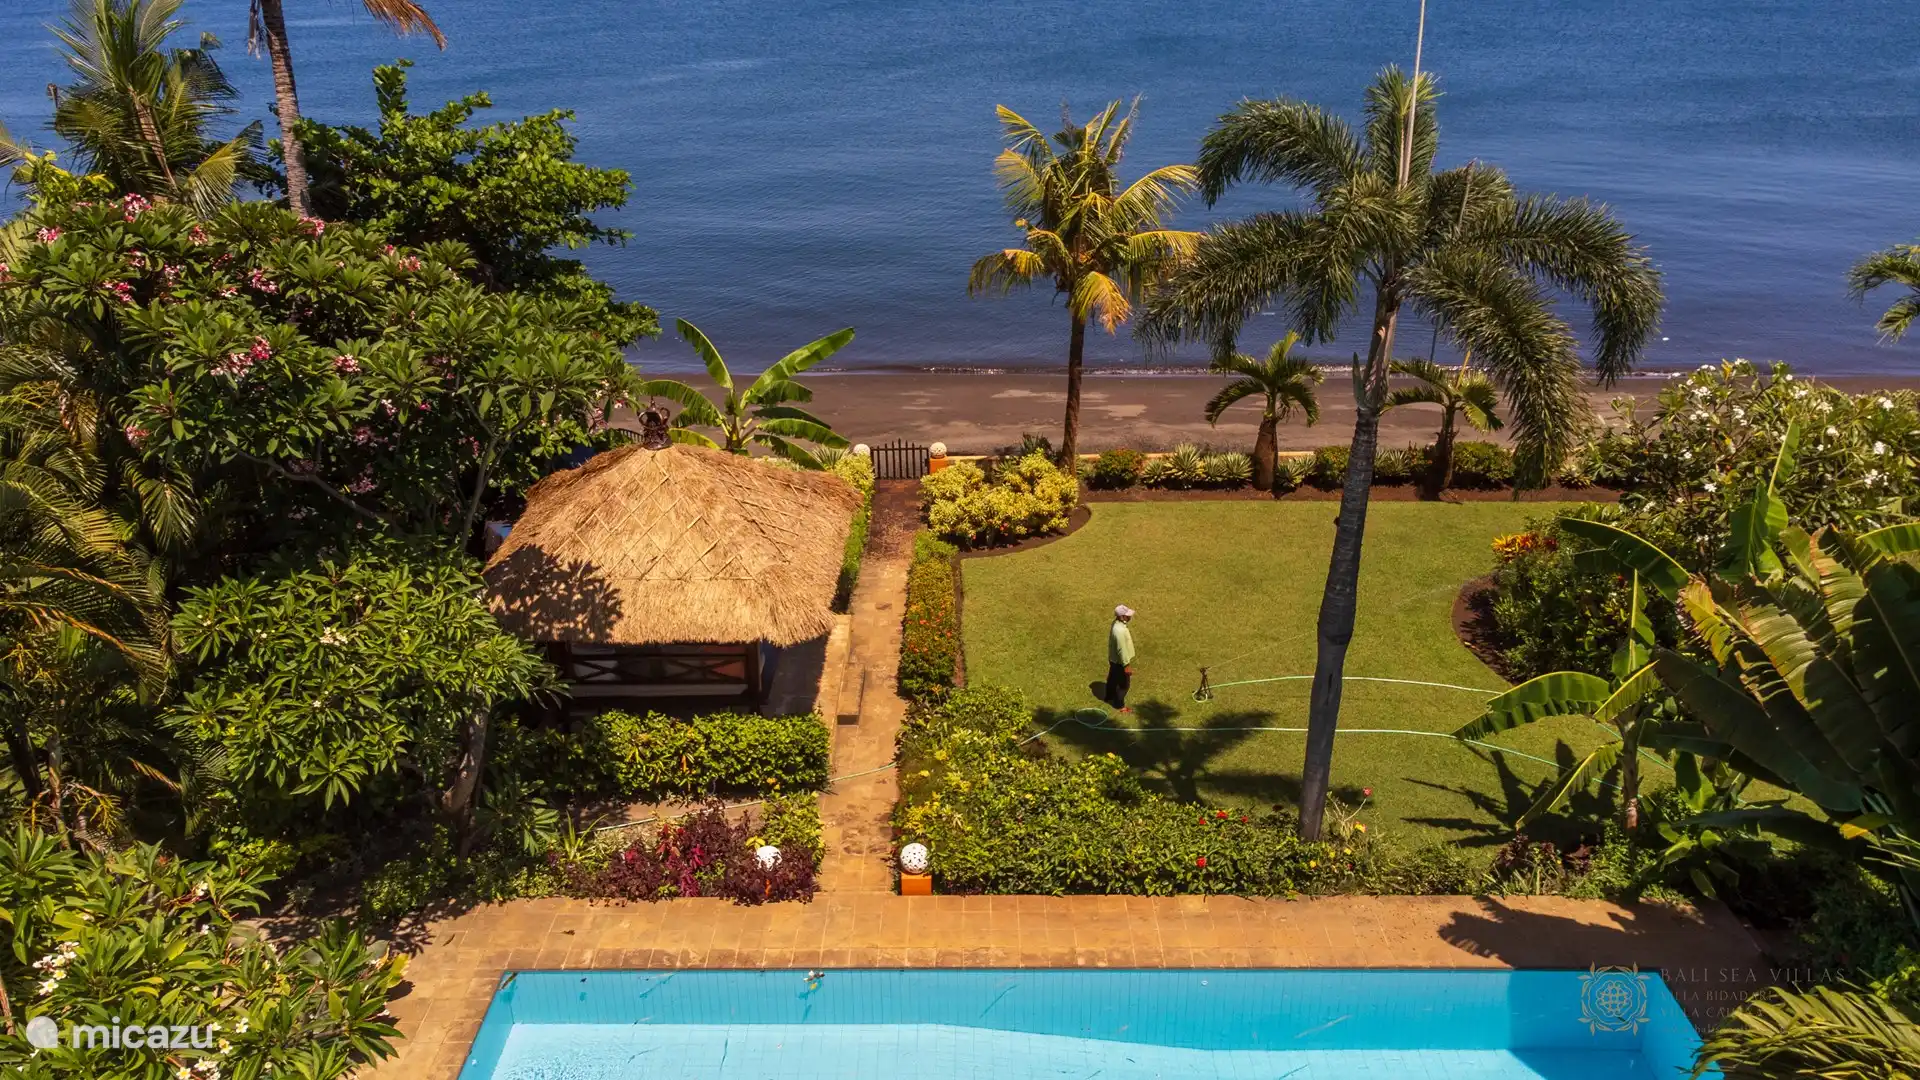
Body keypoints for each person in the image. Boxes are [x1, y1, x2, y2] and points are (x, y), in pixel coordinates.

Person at [1106, 604, 1135, 713]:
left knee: (1112, 679)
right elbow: (1121, 650)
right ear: (1122, 617)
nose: (1130, 617)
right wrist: (1126, 665)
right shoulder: (1120, 631)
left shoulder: (1116, 624)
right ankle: (1119, 705)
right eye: (1127, 615)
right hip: (1120, 662)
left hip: (1113, 659)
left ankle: (1109, 696)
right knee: (1124, 685)